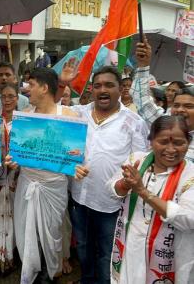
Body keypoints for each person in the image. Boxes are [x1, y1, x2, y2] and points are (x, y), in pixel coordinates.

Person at [60, 65, 150, 284]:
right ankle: (87, 280)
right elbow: (50, 110)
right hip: (80, 198)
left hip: (112, 204)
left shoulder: (134, 122)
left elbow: (139, 162)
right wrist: (62, 83)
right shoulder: (78, 113)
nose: (103, 90)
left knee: (107, 252)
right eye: (98, 85)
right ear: (91, 89)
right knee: (83, 247)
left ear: (121, 89)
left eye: (109, 85)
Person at [6, 67, 79, 283]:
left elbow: (75, 155)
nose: (27, 89)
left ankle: (49, 274)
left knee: (51, 236)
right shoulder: (26, 116)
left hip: (53, 188)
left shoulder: (67, 116)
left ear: (45, 88)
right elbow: (18, 154)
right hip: (27, 183)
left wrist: (79, 167)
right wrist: (12, 162)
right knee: (28, 236)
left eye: (32, 84)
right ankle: (33, 274)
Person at [108, 116, 194, 284]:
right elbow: (112, 189)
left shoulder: (190, 175)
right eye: (163, 142)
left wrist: (142, 191)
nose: (171, 149)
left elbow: (189, 218)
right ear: (151, 141)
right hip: (130, 247)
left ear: (188, 142)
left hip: (170, 256)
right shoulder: (137, 160)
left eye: (178, 143)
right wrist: (125, 184)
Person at [131, 37, 194, 163]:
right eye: (176, 105)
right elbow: (142, 101)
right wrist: (143, 65)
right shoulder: (162, 123)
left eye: (188, 106)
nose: (180, 110)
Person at [0, 83, 20, 276]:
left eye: (12, 96)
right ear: (0, 99)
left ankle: (11, 257)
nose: (8, 100)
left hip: (17, 178)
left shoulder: (24, 121)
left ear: (17, 98)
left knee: (14, 217)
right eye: (5, 97)